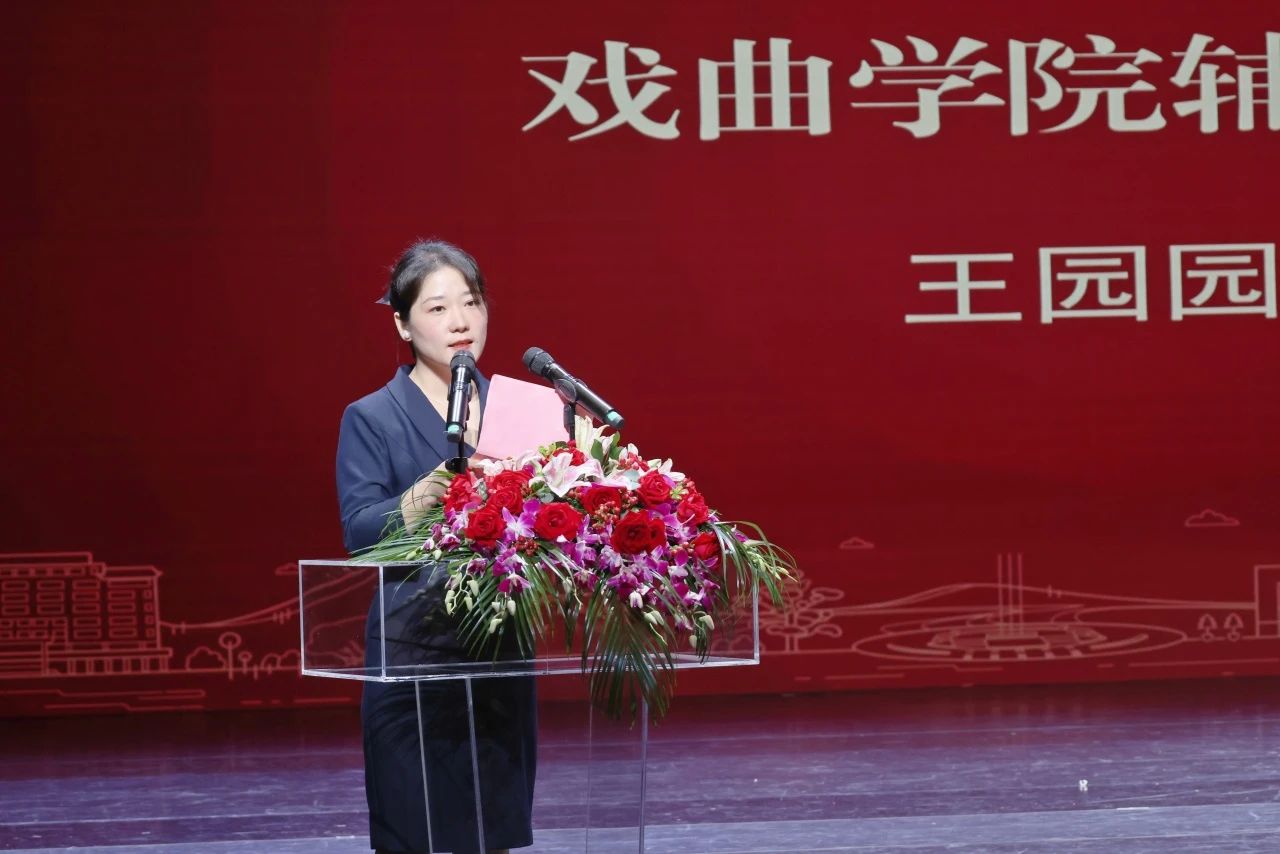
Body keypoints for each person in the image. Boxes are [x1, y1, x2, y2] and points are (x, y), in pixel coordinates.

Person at [336, 240, 536, 854]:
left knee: (491, 830)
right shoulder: (373, 417)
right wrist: (418, 498)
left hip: (499, 645)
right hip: (413, 651)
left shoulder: (521, 410)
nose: (459, 321)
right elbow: (359, 533)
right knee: (416, 828)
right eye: (438, 307)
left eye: (471, 303)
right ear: (403, 324)